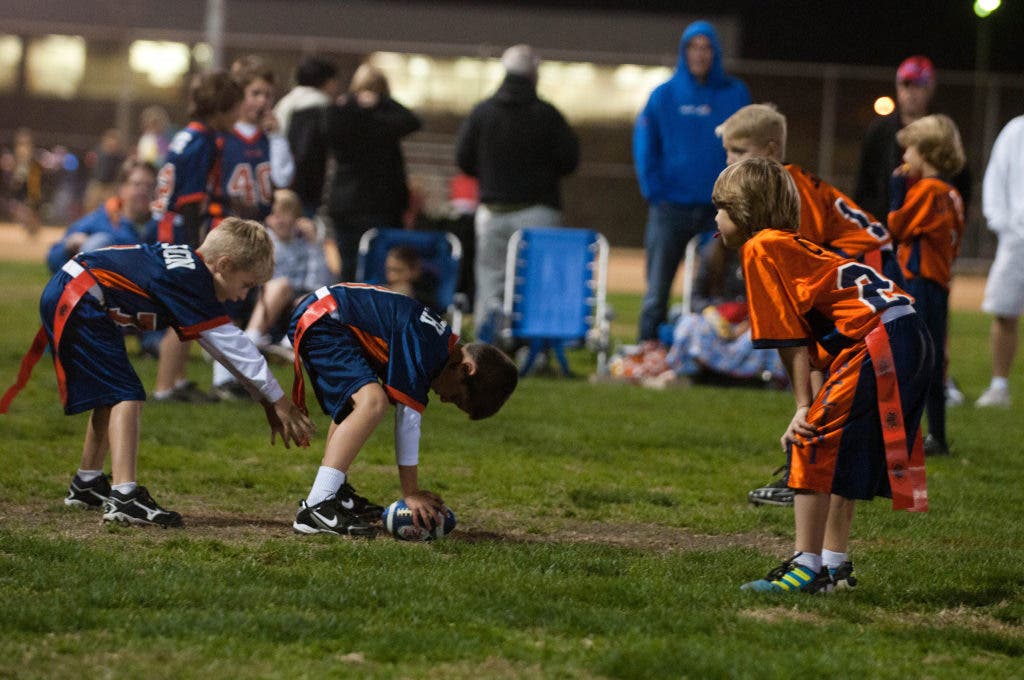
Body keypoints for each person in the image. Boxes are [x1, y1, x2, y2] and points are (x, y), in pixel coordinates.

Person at [0, 218, 315, 527]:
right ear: (224, 265)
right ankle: (124, 496)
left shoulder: (188, 268)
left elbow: (226, 350)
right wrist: (278, 400)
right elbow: (235, 348)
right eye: (246, 285)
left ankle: (88, 482)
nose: (242, 296)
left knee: (113, 395)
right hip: (80, 297)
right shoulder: (192, 280)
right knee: (126, 394)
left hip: (75, 291)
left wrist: (266, 401)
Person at [713, 157, 931, 593]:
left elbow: (789, 340)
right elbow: (819, 349)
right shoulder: (793, 245)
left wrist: (802, 409)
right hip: (905, 331)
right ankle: (834, 567)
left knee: (810, 441)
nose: (715, 218)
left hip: (879, 340)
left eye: (720, 207)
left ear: (743, 209)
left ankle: (805, 569)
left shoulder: (761, 247)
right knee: (841, 450)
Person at [715, 103, 900, 506]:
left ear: (770, 149)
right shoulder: (783, 187)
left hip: (866, 266)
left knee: (822, 371)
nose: (729, 161)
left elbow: (805, 272)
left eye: (739, 151)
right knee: (821, 368)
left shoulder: (786, 191)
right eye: (727, 151)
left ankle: (808, 472)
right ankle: (813, 470)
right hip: (865, 275)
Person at [286, 283, 518, 536]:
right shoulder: (426, 348)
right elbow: (408, 420)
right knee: (373, 402)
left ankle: (336, 492)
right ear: (465, 369)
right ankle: (318, 504)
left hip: (327, 315)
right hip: (324, 319)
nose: (444, 400)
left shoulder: (436, 341)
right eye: (455, 397)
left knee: (359, 404)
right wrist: (411, 492)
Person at [633, 21, 750, 343]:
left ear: (716, 52)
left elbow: (748, 145)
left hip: (719, 210)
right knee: (657, 291)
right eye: (693, 47)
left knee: (722, 288)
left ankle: (711, 351)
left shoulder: (735, 93)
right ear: (684, 52)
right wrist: (655, 191)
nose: (700, 54)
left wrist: (736, 195)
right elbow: (645, 146)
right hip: (670, 208)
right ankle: (647, 348)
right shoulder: (663, 95)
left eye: (706, 47)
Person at [455, 44, 579, 341]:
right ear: (534, 74)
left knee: (490, 279)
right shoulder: (548, 115)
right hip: (539, 211)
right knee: (537, 282)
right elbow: (570, 160)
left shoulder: (483, 112)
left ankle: (488, 341)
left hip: (493, 210)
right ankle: (533, 343)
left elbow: (463, 158)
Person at [150, 70, 244, 403]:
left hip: (168, 225)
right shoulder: (202, 142)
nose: (238, 115)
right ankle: (165, 387)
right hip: (177, 230)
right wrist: (196, 249)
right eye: (235, 108)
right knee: (185, 309)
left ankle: (177, 381)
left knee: (188, 308)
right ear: (219, 109)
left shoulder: (188, 135)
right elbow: (190, 202)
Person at [208, 55, 297, 400]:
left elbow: (283, 178)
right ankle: (224, 377)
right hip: (226, 227)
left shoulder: (267, 137)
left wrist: (278, 137)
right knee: (226, 300)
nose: (263, 102)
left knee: (249, 298)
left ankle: (234, 371)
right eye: (255, 93)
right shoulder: (223, 135)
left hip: (256, 228)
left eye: (268, 95)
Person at [888, 114, 966, 456]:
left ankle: (906, 435)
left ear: (926, 152)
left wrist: (896, 192)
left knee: (912, 358)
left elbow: (897, 226)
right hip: (939, 284)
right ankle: (937, 436)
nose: (905, 157)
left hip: (920, 284)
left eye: (909, 150)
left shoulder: (926, 191)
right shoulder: (951, 193)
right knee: (933, 360)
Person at [325, 63, 422, 283]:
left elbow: (413, 122)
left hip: (351, 203)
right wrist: (379, 103)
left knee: (350, 267)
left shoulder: (347, 114)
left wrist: (359, 102)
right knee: (378, 268)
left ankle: (348, 304)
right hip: (378, 204)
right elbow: (411, 120)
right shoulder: (382, 119)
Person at [854, 55, 972, 226]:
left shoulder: (943, 130)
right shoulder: (880, 129)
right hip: (886, 225)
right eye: (906, 84)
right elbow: (865, 183)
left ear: (930, 88)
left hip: (931, 224)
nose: (911, 93)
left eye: (918, 85)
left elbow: (961, 178)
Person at [243, 188, 332, 364]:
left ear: (297, 218)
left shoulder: (305, 242)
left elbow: (319, 282)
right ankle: (251, 339)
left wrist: (314, 243)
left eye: (285, 214)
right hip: (264, 298)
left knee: (314, 297)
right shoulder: (263, 239)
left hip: (294, 302)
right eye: (275, 215)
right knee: (282, 285)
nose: (280, 220)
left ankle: (289, 345)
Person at [976, 114, 1024, 408]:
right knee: (1004, 312)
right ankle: (999, 386)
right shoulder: (1016, 130)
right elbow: (996, 177)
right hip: (1016, 238)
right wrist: (1002, 225)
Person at [46, 160, 159, 274]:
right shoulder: (101, 220)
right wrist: (68, 247)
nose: (143, 191)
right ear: (122, 188)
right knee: (100, 242)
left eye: (150, 185)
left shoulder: (160, 226)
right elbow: (53, 259)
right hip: (105, 282)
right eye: (137, 184)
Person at [276, 54, 341, 217]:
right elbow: (304, 155)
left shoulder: (286, 103)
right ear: (327, 81)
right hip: (302, 192)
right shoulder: (316, 108)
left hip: (283, 187)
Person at [1, 127, 45, 238]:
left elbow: (35, 181)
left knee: (30, 212)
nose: (22, 148)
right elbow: (13, 181)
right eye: (20, 144)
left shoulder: (34, 160)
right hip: (18, 192)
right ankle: (29, 225)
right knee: (18, 210)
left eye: (25, 144)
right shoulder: (13, 160)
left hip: (31, 191)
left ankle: (32, 227)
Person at [384, 245, 438, 310]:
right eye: (388, 270)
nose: (391, 277)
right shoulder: (382, 291)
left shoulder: (429, 295)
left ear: (415, 270)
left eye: (398, 271)